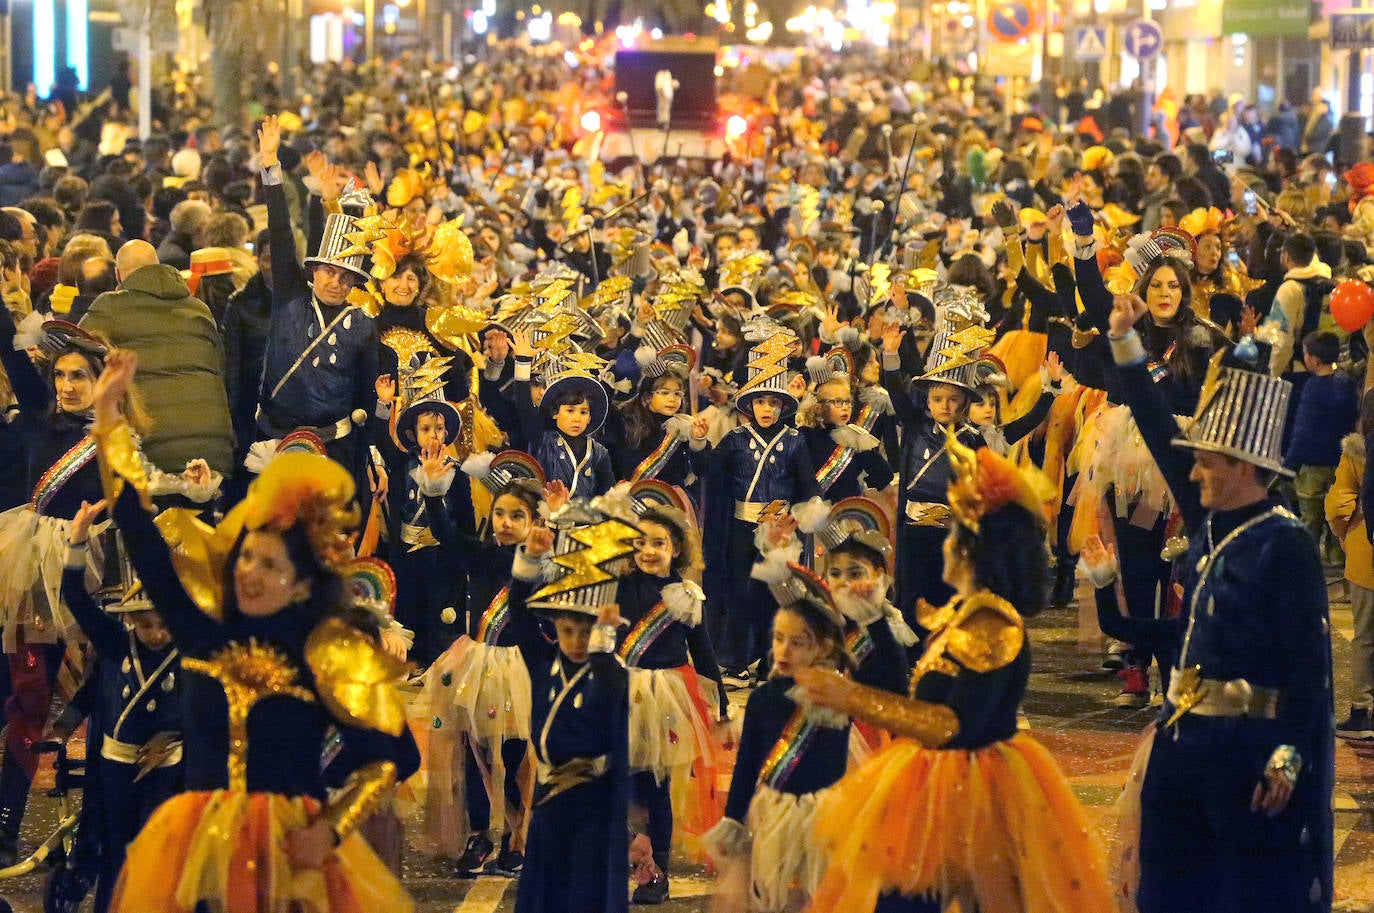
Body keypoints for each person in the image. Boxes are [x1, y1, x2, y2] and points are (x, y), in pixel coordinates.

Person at [90, 348, 415, 913]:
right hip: (196, 855)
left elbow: (388, 758)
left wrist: (331, 828)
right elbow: (136, 527)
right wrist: (109, 418)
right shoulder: (199, 633)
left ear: (301, 584)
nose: (250, 573)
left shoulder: (325, 651)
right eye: (246, 558)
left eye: (271, 566)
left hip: (292, 862)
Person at [793, 430, 1117, 912]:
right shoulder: (965, 615)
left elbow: (948, 725)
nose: (941, 544)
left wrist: (849, 699)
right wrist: (875, 622)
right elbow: (910, 695)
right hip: (935, 787)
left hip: (972, 800)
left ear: (970, 547)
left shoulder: (989, 624)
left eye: (951, 533)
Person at [1107, 292, 1333, 912]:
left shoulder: (1285, 544)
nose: (1195, 472)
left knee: (1238, 893)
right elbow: (1155, 425)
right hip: (1183, 741)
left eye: (1206, 460)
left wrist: (1288, 758)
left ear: (1241, 466)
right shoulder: (1210, 516)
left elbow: (1308, 668)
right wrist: (1125, 344)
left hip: (1246, 753)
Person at [418, 456, 544, 876]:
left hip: (518, 671)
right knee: (475, 755)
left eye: (517, 516)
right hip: (476, 665)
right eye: (500, 514)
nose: (506, 523)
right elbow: (447, 536)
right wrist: (434, 494)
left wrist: (561, 526)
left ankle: (516, 836)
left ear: (533, 523)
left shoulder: (539, 565)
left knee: (515, 754)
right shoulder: (481, 554)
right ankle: (479, 836)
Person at [704, 564, 856, 913]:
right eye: (778, 638)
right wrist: (732, 820)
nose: (784, 650)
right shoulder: (763, 699)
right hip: (774, 815)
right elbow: (746, 767)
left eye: (798, 642)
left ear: (823, 647)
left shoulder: (839, 695)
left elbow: (890, 676)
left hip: (826, 817)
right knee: (773, 899)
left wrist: (874, 617)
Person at [61, 507, 185, 913]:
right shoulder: (116, 643)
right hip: (116, 766)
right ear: (130, 620)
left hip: (166, 771)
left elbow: (210, 706)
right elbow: (76, 599)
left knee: (159, 854)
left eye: (164, 624)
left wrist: (178, 734)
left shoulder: (189, 652)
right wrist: (77, 542)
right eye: (146, 625)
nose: (157, 634)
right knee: (116, 850)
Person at [508, 509, 632, 913]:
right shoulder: (544, 664)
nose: (576, 641)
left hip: (591, 805)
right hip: (548, 799)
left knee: (584, 896)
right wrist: (527, 560)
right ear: (554, 628)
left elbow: (604, 725)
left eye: (586, 631)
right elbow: (519, 615)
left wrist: (603, 644)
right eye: (567, 631)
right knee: (546, 893)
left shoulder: (609, 672)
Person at [690, 328, 820, 687]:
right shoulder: (734, 440)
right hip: (738, 532)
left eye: (774, 403)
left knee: (773, 598)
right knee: (738, 595)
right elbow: (707, 472)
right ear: (748, 405)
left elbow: (809, 484)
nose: (767, 409)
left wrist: (804, 512)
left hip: (778, 536)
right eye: (761, 402)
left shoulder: (795, 442)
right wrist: (699, 442)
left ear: (782, 407)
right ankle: (734, 662)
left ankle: (770, 663)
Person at [255, 114, 378, 492]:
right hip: (273, 439)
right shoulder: (290, 292)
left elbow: (367, 392)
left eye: (347, 278)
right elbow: (279, 229)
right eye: (329, 272)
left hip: (335, 444)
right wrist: (270, 167)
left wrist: (368, 456)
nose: (336, 282)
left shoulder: (362, 323)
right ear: (315, 270)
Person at [79, 239, 236, 477]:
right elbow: (221, 370)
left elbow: (75, 359)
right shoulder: (199, 309)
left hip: (151, 453)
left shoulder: (108, 308)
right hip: (214, 450)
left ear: (118, 275)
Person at [1285, 331, 1359, 564]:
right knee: (1337, 517)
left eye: (1306, 353)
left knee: (1310, 520)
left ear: (1314, 359)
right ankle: (1339, 564)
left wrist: (1289, 464)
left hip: (1312, 467)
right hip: (1340, 463)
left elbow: (1302, 431)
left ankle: (1309, 565)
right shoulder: (1346, 383)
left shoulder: (1312, 388)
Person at [1328, 390, 1374, 741]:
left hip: (1365, 555)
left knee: (1366, 638)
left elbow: (1338, 504)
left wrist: (1346, 535)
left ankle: (1361, 711)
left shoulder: (1356, 453)